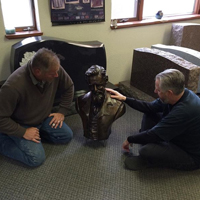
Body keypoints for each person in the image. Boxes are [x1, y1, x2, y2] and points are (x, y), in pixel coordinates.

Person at [106, 69, 200, 171]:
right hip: (177, 134)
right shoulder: (180, 93)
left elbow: (154, 134)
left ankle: (150, 159)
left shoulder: (184, 111)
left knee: (146, 151)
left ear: (169, 93)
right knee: (150, 113)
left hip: (190, 155)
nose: (155, 91)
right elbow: (149, 107)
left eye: (158, 90)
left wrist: (130, 139)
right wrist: (124, 98)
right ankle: (152, 144)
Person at [0, 48, 74, 167]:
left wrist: (62, 111)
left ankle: (35, 135)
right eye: (52, 74)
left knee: (66, 136)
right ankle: (4, 140)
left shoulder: (55, 69)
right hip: (21, 124)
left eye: (57, 71)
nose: (57, 75)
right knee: (36, 159)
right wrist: (23, 132)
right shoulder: (12, 87)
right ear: (38, 72)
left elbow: (69, 87)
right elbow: (1, 118)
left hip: (42, 118)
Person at [76, 65, 125, 141]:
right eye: (92, 86)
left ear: (105, 82)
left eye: (99, 86)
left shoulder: (118, 106)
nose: (95, 89)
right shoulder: (80, 101)